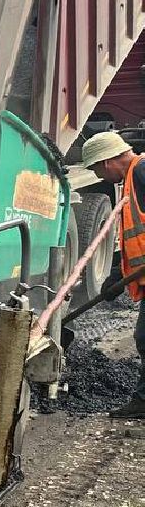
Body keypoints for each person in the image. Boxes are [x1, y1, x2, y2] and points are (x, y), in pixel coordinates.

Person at [82, 130, 145, 420]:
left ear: (107, 162)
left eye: (95, 169)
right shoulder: (134, 176)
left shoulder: (143, 172)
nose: (98, 176)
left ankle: (143, 402)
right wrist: (116, 277)